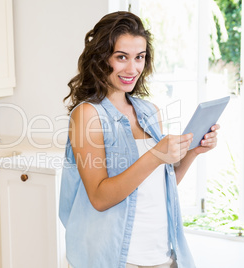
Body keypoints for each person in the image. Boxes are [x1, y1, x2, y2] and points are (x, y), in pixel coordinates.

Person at [59, 11, 219, 268]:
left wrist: (192, 152)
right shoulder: (88, 115)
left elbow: (159, 185)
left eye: (139, 57)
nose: (132, 68)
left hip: (161, 255)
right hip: (116, 259)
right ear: (101, 59)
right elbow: (99, 198)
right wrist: (155, 154)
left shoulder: (148, 111)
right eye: (121, 57)